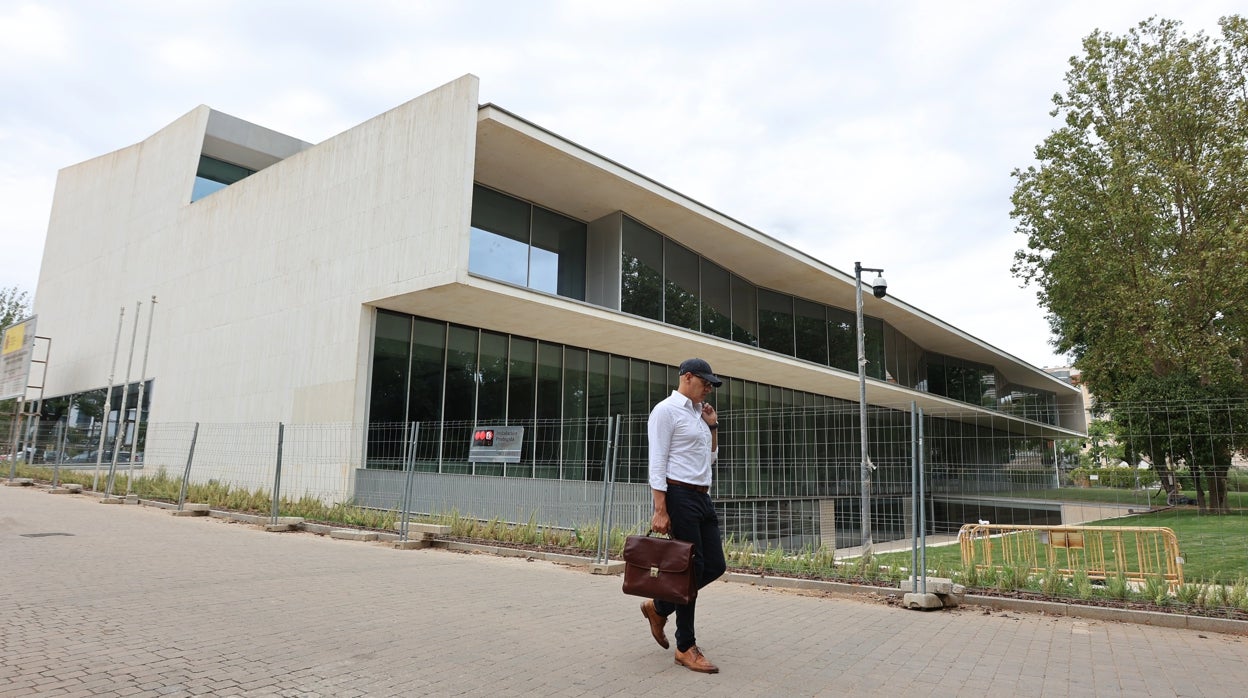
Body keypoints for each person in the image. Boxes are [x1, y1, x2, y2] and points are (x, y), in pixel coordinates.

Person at [639, 357, 727, 674]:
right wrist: (660, 509)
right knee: (690, 570)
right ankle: (685, 646)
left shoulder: (699, 415)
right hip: (678, 495)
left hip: (702, 497)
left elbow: (711, 458)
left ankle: (659, 606)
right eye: (705, 383)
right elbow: (657, 462)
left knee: (715, 565)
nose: (708, 389)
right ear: (687, 377)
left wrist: (712, 426)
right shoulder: (665, 411)